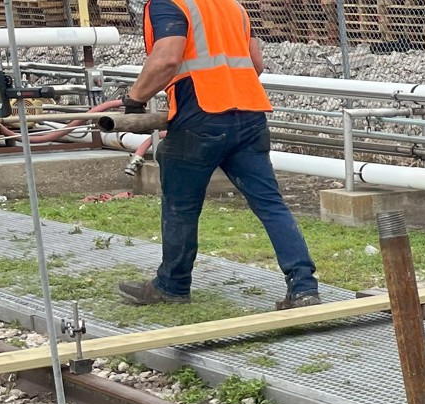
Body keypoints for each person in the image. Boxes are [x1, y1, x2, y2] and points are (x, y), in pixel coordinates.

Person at [116, 0, 321, 310]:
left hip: (201, 116)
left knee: (182, 206)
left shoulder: (169, 4)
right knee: (270, 204)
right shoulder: (232, 6)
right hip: (249, 115)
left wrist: (134, 98)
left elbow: (167, 59)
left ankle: (172, 285)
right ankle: (304, 287)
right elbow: (256, 63)